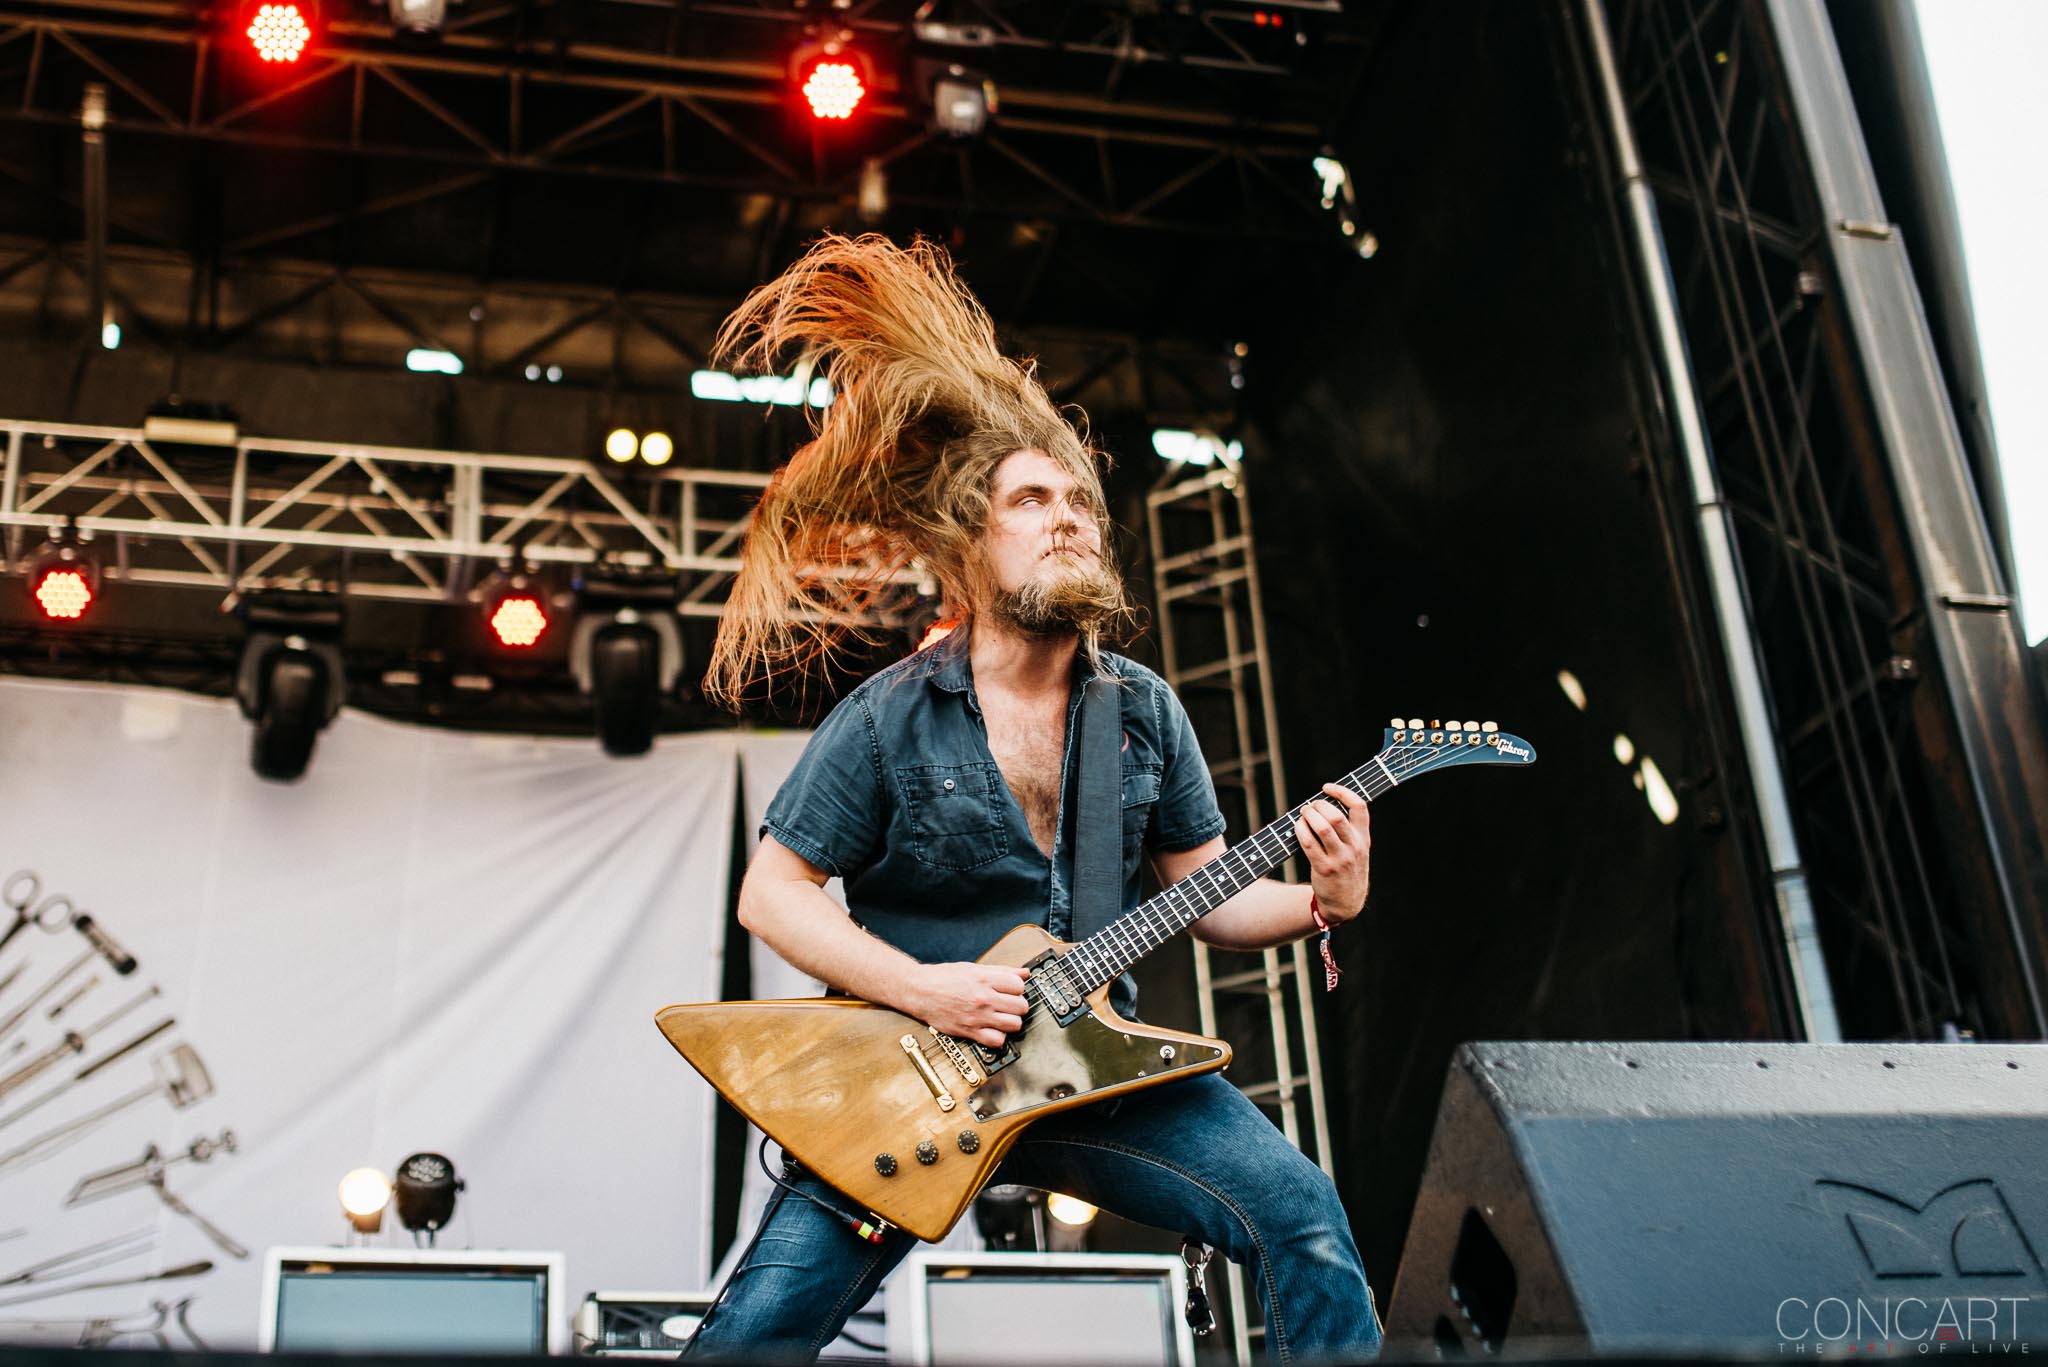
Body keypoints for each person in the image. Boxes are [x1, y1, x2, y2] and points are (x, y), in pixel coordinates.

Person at [687, 233, 1382, 1362]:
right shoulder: (888, 714)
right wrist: (929, 990)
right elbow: (773, 895)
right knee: (754, 1332)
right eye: (1030, 500)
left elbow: (1203, 898)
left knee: (1301, 1217)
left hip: (1091, 1077)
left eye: (1081, 502)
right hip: (907, 1080)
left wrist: (1324, 902)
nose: (1067, 515)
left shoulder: (1141, 709)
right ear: (972, 545)